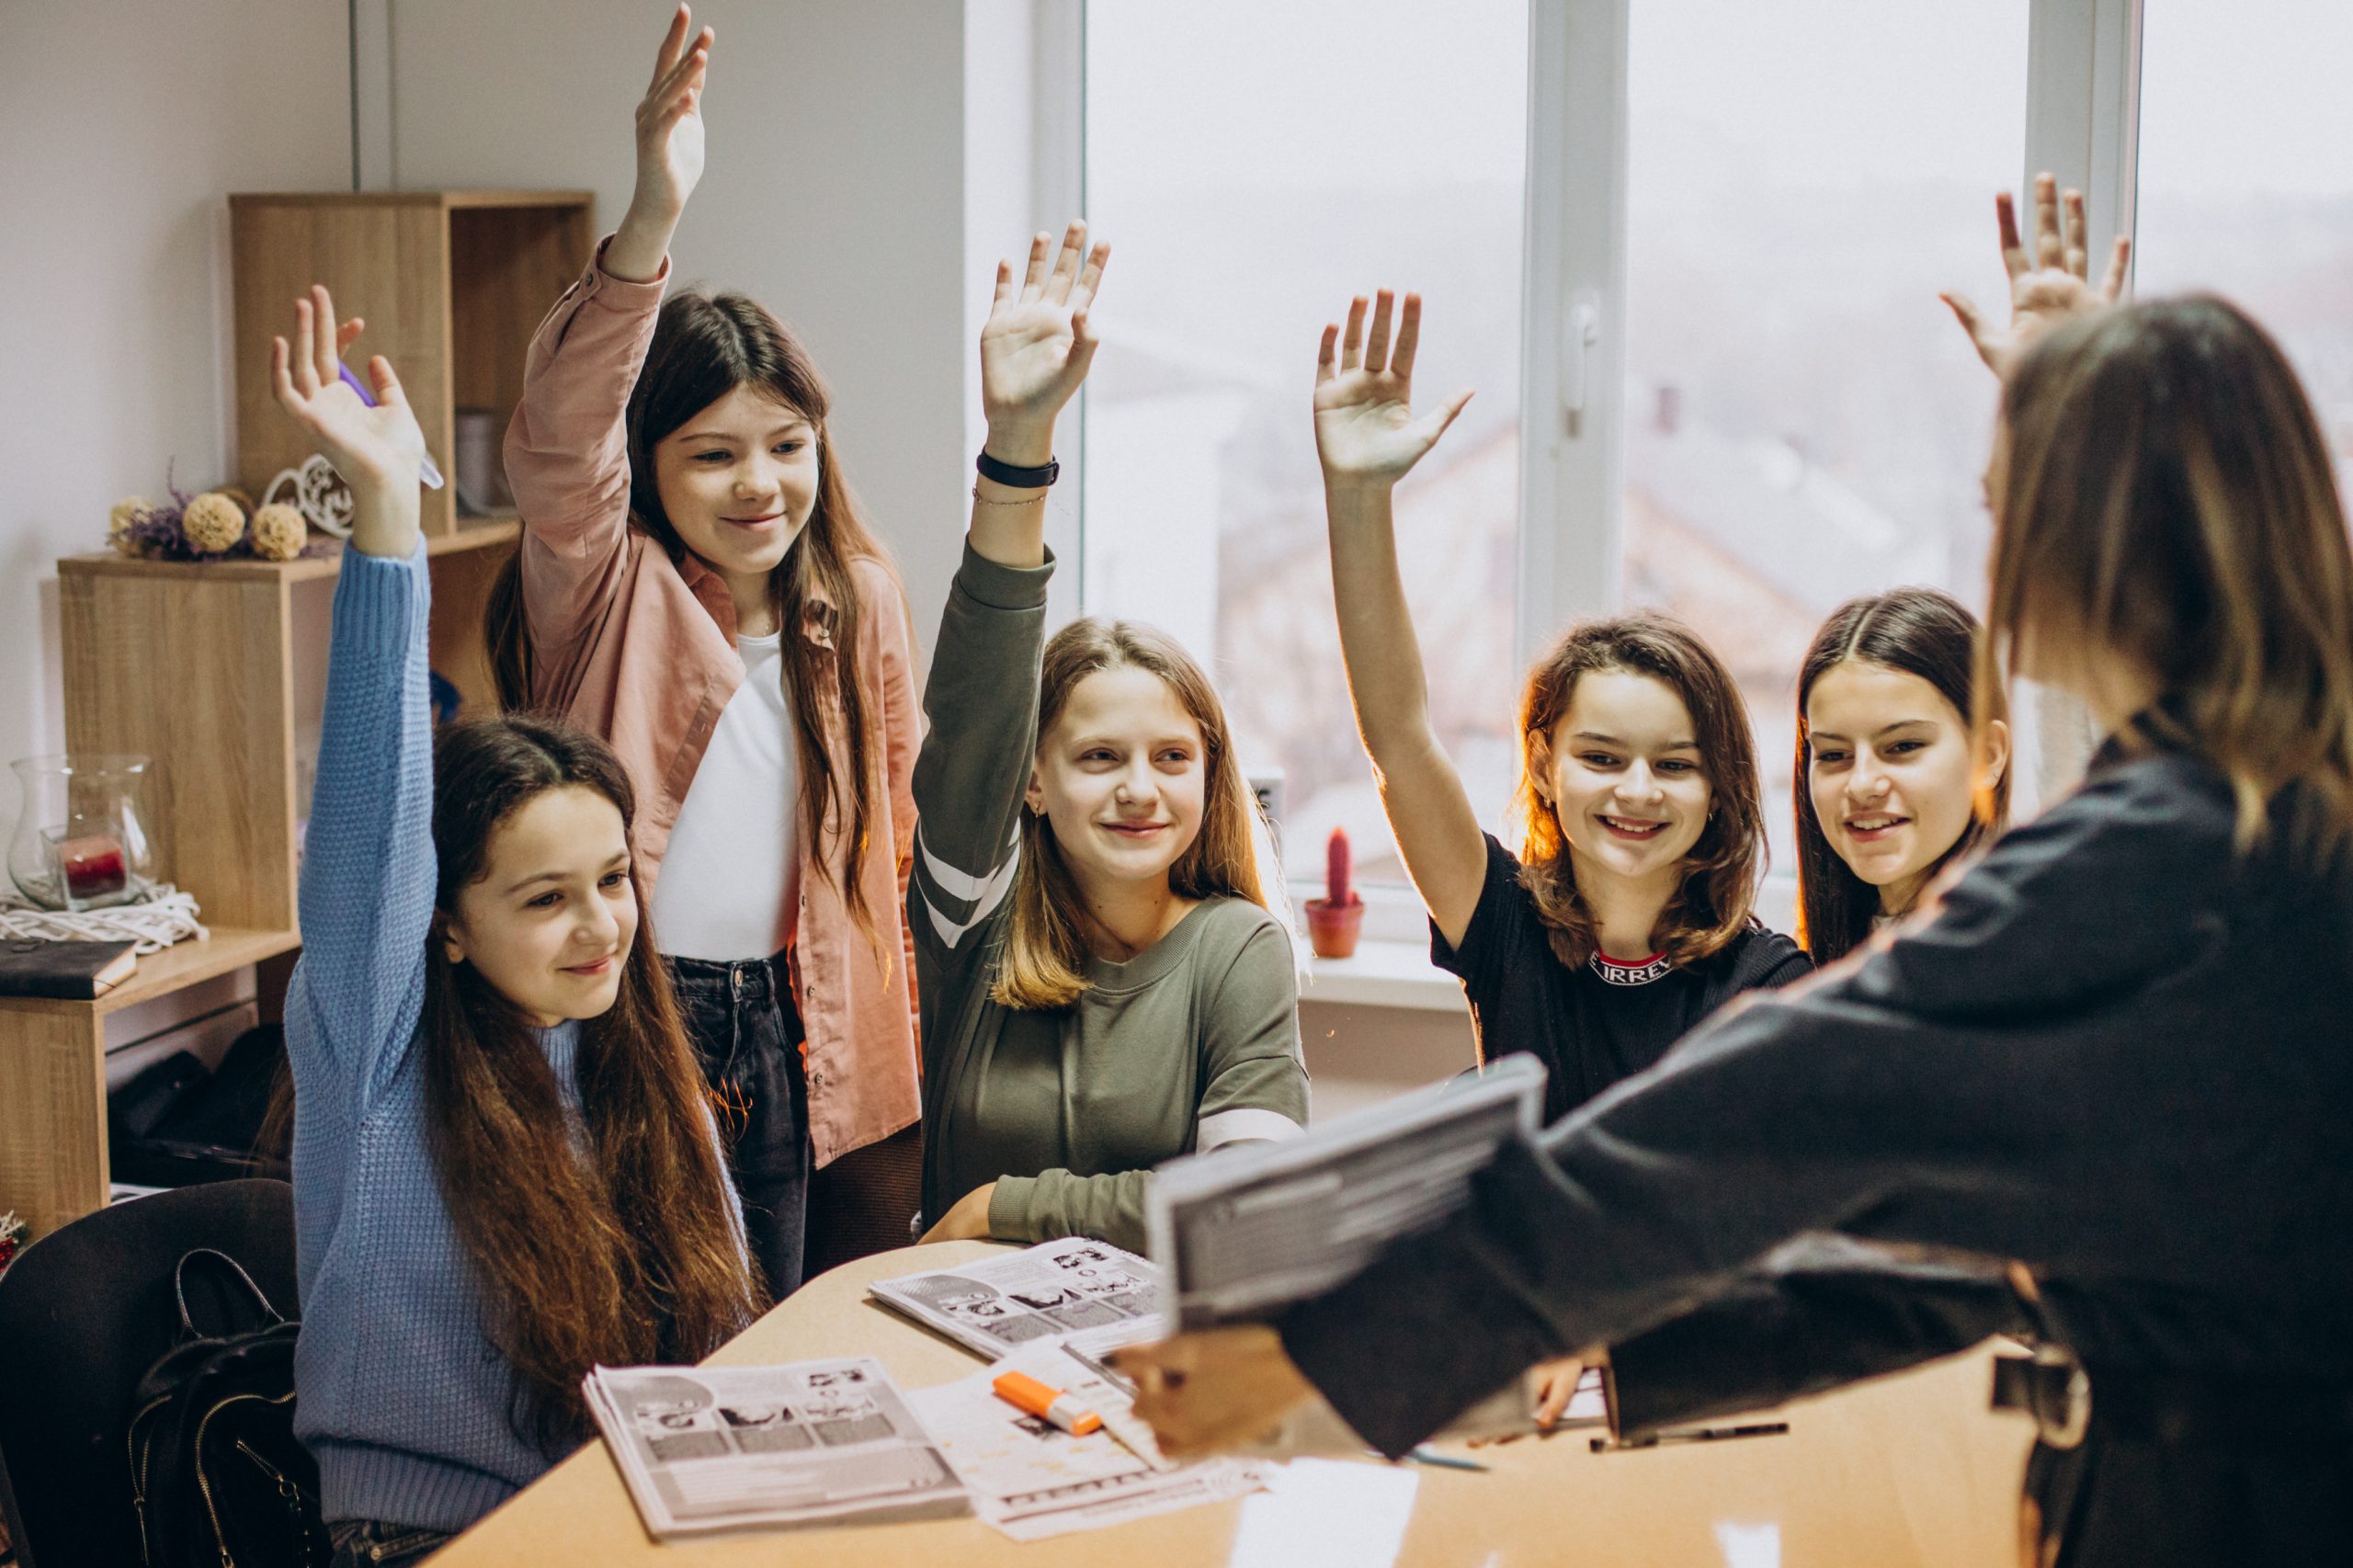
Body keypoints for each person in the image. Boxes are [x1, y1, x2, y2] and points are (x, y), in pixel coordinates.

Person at [1120, 187, 2353, 1567]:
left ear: (2097, 537)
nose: (1999, 553)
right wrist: (1584, 1341)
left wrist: (1336, 1346)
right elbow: (1940, 1267)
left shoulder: (2163, 862)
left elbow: (1767, 1114)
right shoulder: (2278, 826)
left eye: (2010, 508)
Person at [271, 287, 759, 1566]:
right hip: (421, 1536)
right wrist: (387, 519)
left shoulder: (637, 1057)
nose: (600, 925)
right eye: (544, 899)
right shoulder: (373, 1053)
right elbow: (373, 814)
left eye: (612, 879)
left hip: (619, 1522)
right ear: (441, 924)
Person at [1316, 287, 1810, 1430]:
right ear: (1543, 763)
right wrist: (1356, 496)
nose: (1635, 791)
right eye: (1601, 755)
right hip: (1513, 1374)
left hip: (1692, 1388)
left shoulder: (1773, 985)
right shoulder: (1504, 924)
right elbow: (1395, 732)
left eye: (1675, 765)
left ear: (1722, 787)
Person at [493, 6, 922, 1296]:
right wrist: (652, 220)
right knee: (641, 1330)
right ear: (653, 469)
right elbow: (564, 437)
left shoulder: (859, 597)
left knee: (788, 1333)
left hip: (804, 1018)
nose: (758, 485)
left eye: (785, 444)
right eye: (713, 453)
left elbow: (889, 826)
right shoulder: (601, 584)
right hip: (639, 1007)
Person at [909, 223, 1310, 1254]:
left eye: (1172, 757)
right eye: (1098, 757)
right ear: (1030, 782)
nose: (1140, 787)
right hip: (953, 1342)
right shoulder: (976, 917)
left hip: (1155, 1367)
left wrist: (1009, 1207)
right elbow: (978, 693)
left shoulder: (1238, 949)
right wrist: (1018, 441)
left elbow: (1252, 1208)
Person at [1795, 586, 2010, 963]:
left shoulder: (2039, 949)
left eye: (1903, 746)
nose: (1861, 784)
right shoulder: (1806, 958)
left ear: (1989, 754)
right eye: (1833, 754)